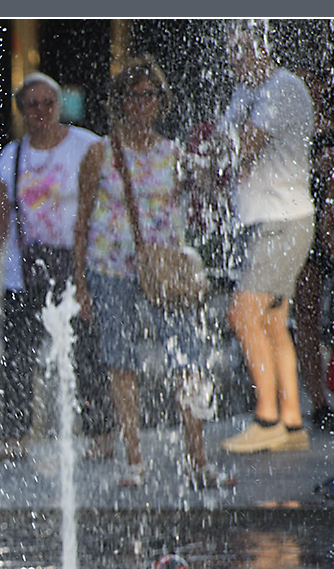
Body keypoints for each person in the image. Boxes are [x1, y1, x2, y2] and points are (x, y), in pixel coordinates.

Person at [73, 56, 236, 490]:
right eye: (134, 95)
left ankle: (198, 460)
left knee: (190, 360)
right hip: (110, 269)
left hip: (165, 271)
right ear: (120, 102)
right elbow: (82, 218)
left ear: (162, 102)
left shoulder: (174, 153)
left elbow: (206, 194)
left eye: (151, 95)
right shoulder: (100, 153)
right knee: (120, 363)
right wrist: (81, 281)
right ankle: (133, 461)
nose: (143, 103)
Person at [0, 72, 115, 462]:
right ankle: (17, 436)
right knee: (18, 356)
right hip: (26, 271)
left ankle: (101, 434)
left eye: (47, 103)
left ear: (59, 106)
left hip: (78, 268)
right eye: (31, 104)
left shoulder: (86, 145)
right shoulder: (13, 155)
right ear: (21, 110)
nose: (40, 110)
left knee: (86, 352)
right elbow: (1, 214)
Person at [211, 22, 317, 454]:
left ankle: (267, 418)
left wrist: (224, 152)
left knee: (242, 314)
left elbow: (241, 146)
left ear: (260, 47)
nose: (232, 59)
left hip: (284, 221)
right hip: (264, 222)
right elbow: (223, 145)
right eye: (230, 51)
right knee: (272, 321)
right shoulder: (244, 92)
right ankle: (291, 423)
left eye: (239, 50)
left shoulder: (281, 88)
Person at [291, 66, 334, 433]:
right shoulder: (291, 128)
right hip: (304, 228)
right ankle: (319, 402)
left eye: (316, 81)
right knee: (306, 317)